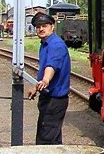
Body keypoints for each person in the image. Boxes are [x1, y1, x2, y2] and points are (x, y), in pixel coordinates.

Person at [27, 12, 71, 145]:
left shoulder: (56, 45)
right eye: (38, 27)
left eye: (44, 26)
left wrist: (46, 80)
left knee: (46, 139)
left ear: (52, 27)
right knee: (51, 136)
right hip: (48, 97)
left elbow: (52, 65)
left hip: (55, 99)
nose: (41, 29)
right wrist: (36, 86)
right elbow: (44, 67)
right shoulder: (45, 44)